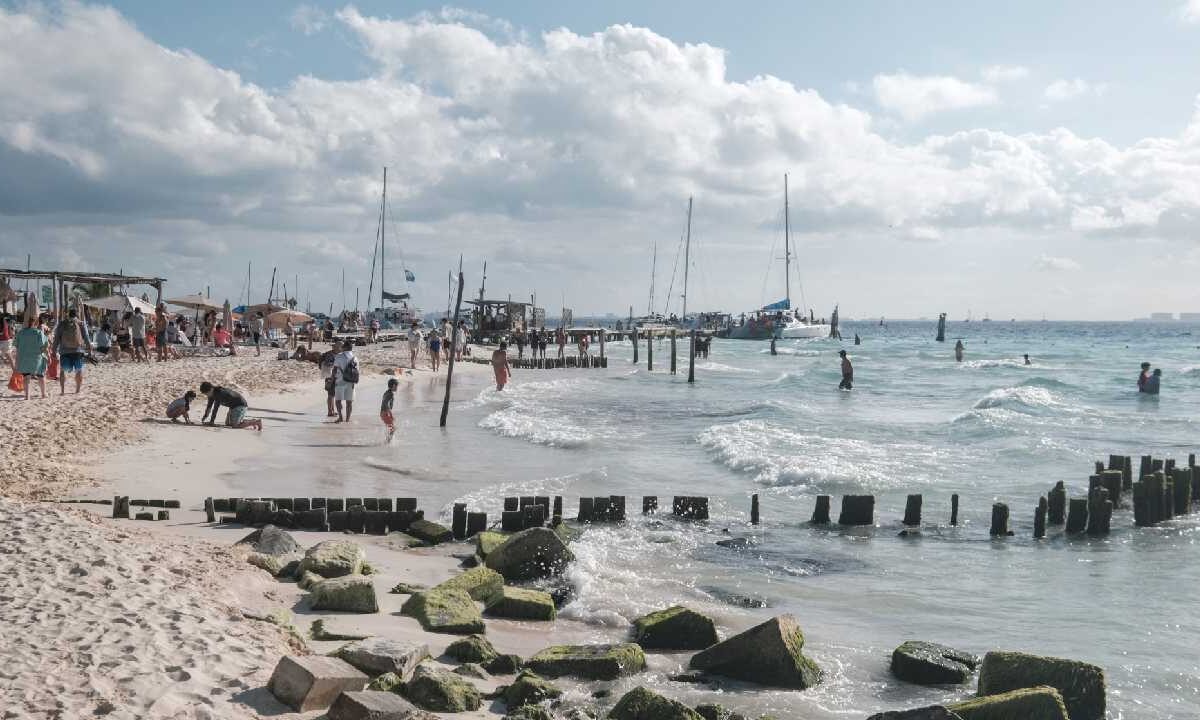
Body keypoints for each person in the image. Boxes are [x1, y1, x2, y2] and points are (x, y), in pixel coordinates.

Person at [53, 308, 92, 395]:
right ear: (76, 315)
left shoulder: (62, 324)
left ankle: (62, 391)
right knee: (79, 370)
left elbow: (56, 338)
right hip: (78, 351)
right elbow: (86, 337)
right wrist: (89, 349)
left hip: (64, 351)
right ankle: (77, 390)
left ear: (68, 315)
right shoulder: (81, 323)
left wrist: (53, 350)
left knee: (63, 370)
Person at [15, 315, 49, 400]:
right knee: (41, 376)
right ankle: (44, 394)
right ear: (36, 323)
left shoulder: (21, 332)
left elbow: (16, 345)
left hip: (24, 358)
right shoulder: (38, 332)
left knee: (26, 377)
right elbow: (44, 345)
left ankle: (27, 396)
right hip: (37, 358)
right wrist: (47, 355)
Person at [333, 340, 358, 423]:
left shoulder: (339, 356)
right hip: (351, 382)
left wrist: (332, 379)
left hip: (340, 381)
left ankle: (340, 417)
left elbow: (334, 369)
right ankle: (347, 419)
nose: (342, 347)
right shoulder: (355, 358)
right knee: (349, 402)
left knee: (338, 400)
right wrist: (354, 382)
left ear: (345, 347)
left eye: (343, 346)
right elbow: (357, 372)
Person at [319, 341, 339, 417]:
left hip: (332, 376)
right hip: (329, 376)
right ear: (336, 347)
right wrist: (336, 364)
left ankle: (332, 410)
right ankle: (330, 411)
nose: (341, 348)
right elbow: (327, 364)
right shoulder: (330, 354)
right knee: (330, 394)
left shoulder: (335, 354)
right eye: (340, 346)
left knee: (332, 394)